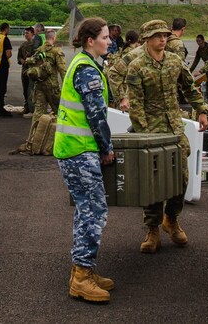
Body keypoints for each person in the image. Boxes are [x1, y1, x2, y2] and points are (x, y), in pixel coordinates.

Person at [125, 20, 208, 254]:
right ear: (146, 39)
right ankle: (152, 228)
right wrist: (144, 134)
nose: (162, 39)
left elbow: (190, 88)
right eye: (156, 36)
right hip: (151, 130)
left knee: (180, 177)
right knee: (153, 181)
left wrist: (201, 110)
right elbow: (136, 105)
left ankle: (171, 219)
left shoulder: (174, 61)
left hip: (174, 127)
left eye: (164, 35)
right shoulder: (137, 66)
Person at [54, 17, 115, 304]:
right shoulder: (86, 69)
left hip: (74, 149)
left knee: (86, 210)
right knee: (93, 211)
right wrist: (106, 147)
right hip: (80, 150)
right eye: (104, 37)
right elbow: (96, 116)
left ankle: (84, 271)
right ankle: (81, 278)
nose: (109, 41)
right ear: (91, 40)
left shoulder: (83, 63)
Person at [27, 29, 66, 123]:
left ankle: (34, 135)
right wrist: (66, 85)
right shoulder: (56, 51)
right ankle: (59, 134)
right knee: (59, 110)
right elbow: (62, 70)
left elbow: (29, 61)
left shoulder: (39, 50)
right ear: (54, 38)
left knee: (38, 112)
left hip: (40, 85)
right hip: (52, 86)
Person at [17, 27, 36, 116]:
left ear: (32, 33)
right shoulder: (23, 45)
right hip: (24, 70)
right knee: (25, 89)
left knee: (31, 90)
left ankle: (32, 108)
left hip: (32, 70)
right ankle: (26, 107)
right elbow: (19, 56)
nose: (25, 35)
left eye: (27, 33)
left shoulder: (36, 45)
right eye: (25, 33)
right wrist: (22, 61)